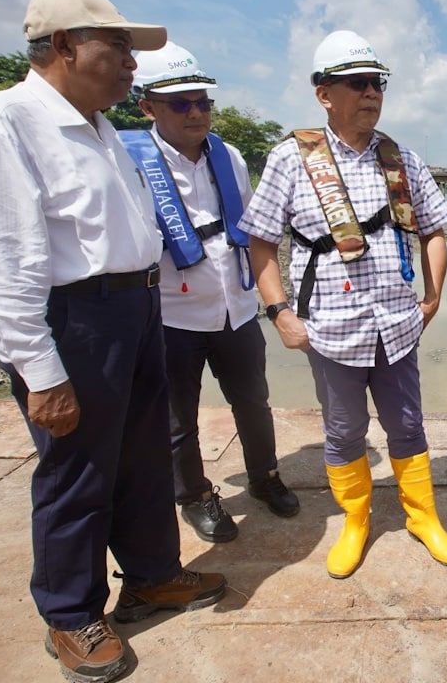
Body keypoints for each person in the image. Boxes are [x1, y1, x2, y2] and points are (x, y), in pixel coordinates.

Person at [0, 0, 226, 683]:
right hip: (76, 320)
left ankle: (153, 575)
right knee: (78, 472)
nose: (133, 66)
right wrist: (40, 370)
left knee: (140, 458)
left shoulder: (100, 127)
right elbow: (2, 261)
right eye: (119, 49)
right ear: (64, 46)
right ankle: (70, 614)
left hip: (136, 309)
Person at [238, 29, 447, 579]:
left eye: (377, 83)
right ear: (324, 93)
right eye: (357, 83)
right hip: (333, 327)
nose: (371, 93)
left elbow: (435, 229)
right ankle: (355, 521)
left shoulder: (400, 158)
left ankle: (423, 516)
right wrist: (279, 312)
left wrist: (432, 297)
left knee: (408, 424)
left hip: (397, 322)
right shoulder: (293, 159)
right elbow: (260, 240)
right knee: (343, 430)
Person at [121, 42, 300, 543]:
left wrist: (272, 302)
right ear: (147, 106)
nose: (195, 112)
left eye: (202, 101)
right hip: (173, 315)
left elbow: (253, 228)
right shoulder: (129, 161)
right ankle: (195, 496)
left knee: (254, 402)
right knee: (178, 417)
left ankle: (265, 478)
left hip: (236, 308)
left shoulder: (231, 156)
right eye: (180, 103)